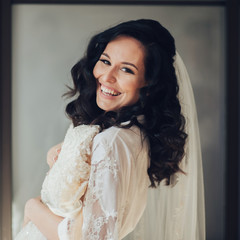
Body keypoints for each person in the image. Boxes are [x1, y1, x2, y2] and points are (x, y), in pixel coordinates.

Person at [15, 19, 205, 240]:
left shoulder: (112, 141)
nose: (107, 76)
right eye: (105, 61)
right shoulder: (129, 135)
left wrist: (32, 208)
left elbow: (92, 238)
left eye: (126, 69)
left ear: (150, 85)